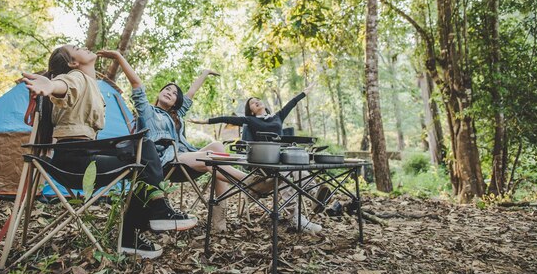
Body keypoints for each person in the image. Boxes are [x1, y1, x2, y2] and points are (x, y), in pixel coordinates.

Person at [21, 45, 197, 260]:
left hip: (75, 158)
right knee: (145, 150)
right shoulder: (76, 77)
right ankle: (144, 222)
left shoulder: (91, 84)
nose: (83, 47)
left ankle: (144, 224)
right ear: (73, 63)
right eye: (76, 48)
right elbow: (64, 85)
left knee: (144, 155)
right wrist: (50, 85)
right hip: (76, 163)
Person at [99, 50, 271, 232]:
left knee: (217, 146)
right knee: (209, 156)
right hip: (164, 163)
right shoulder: (148, 112)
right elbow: (136, 84)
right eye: (166, 89)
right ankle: (251, 183)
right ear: (158, 94)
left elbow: (191, 93)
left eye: (174, 93)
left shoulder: (177, 115)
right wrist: (119, 57)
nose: (169, 92)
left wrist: (205, 73)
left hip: (184, 159)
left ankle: (220, 219)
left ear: (176, 102)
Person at [190, 82, 325, 233]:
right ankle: (297, 219)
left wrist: (305, 91)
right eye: (252, 103)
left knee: (298, 168)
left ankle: (316, 195)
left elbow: (292, 102)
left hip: (283, 159)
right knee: (286, 172)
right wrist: (205, 121)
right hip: (264, 165)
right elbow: (226, 118)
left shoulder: (278, 116)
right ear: (252, 111)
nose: (256, 102)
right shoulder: (252, 121)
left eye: (257, 100)